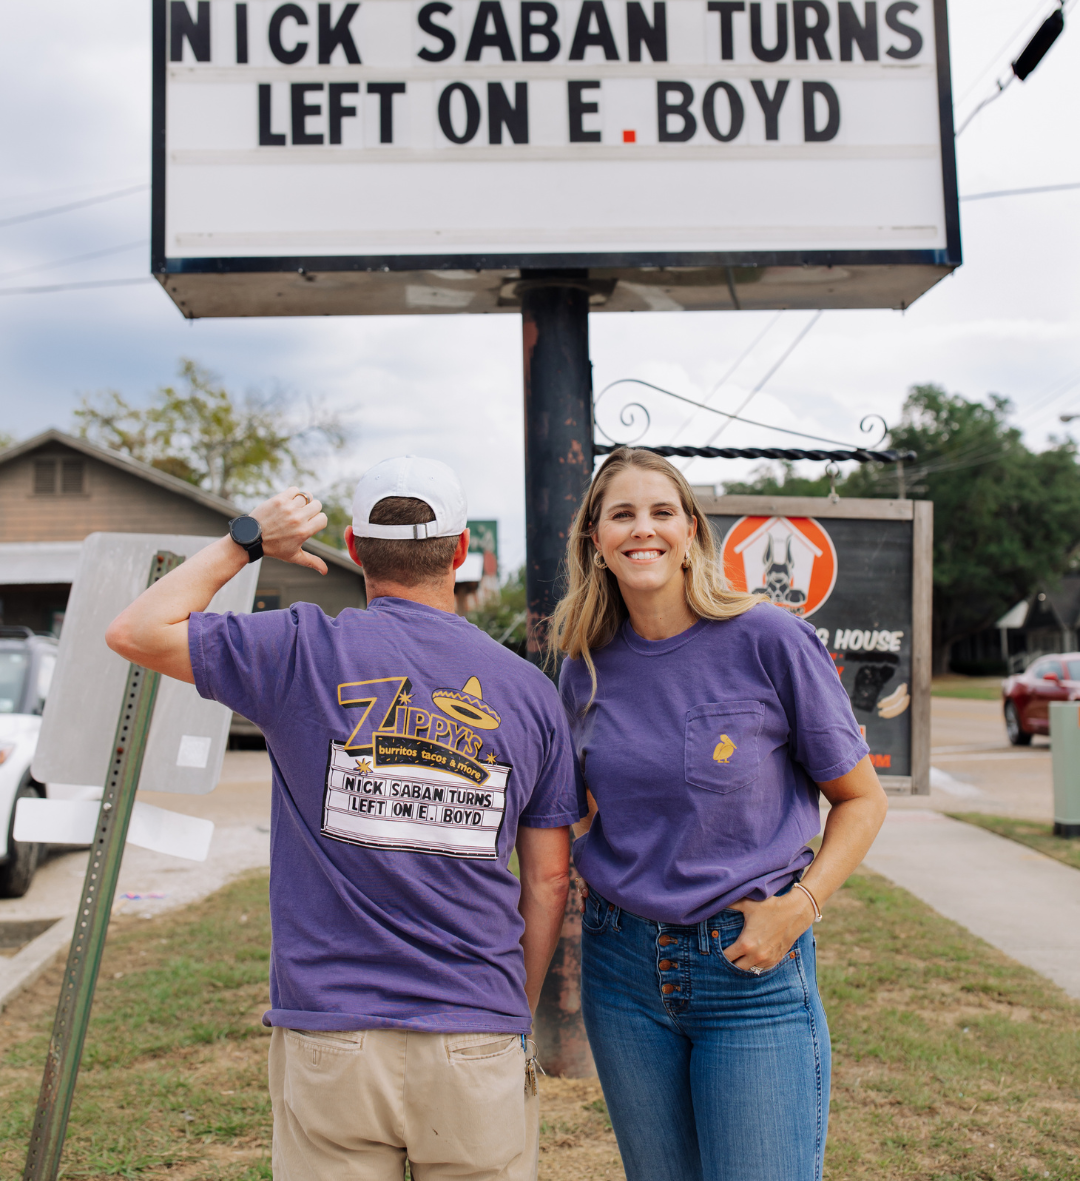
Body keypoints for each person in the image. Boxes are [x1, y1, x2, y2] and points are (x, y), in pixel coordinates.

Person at [107, 455, 581, 1181]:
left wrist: (247, 539)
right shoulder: (527, 691)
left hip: (332, 1037)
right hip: (474, 1032)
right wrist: (506, 1010)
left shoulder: (298, 649)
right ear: (460, 552)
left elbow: (137, 630)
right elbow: (549, 882)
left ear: (355, 549)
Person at [550, 447, 888, 1181]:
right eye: (623, 515)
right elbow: (578, 803)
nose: (644, 529)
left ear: (691, 531)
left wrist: (800, 906)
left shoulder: (768, 640)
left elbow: (862, 799)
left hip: (749, 972)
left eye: (662, 512)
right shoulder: (584, 663)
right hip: (622, 976)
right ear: (597, 543)